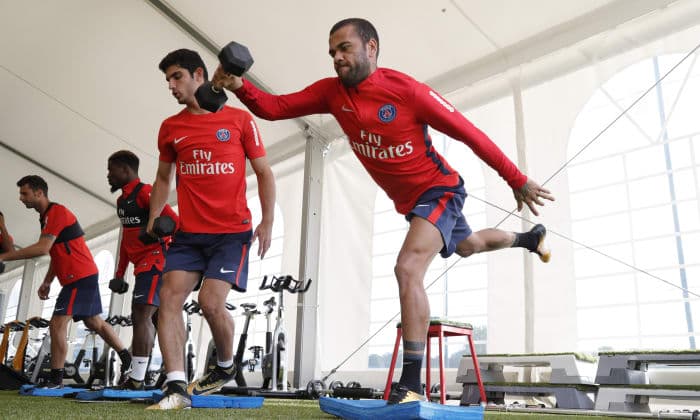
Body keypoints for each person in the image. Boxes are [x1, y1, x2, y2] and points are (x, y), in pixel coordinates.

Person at [213, 18, 555, 404]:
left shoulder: (407, 91)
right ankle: (529, 238)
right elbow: (276, 108)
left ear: (371, 48)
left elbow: (468, 133)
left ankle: (412, 383)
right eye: (332, 52)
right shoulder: (330, 93)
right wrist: (238, 85)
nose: (337, 58)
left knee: (407, 267)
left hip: (440, 189)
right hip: (413, 204)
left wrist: (516, 178)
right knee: (469, 245)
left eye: (345, 48)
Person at [145, 49, 276, 410]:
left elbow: (264, 172)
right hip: (188, 234)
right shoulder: (171, 127)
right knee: (166, 301)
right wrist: (154, 218)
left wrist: (268, 220)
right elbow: (161, 177)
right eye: (168, 80)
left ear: (199, 75)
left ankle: (223, 366)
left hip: (231, 233)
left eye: (176, 77)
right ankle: (176, 387)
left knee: (210, 303)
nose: (171, 86)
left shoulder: (240, 120)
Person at [0, 175, 131, 388]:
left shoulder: (57, 213)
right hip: (80, 276)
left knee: (57, 324)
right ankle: (126, 357)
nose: (21, 198)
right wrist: (47, 281)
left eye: (24, 193)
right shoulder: (46, 218)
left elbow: (42, 248)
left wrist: (4, 256)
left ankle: (56, 380)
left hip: (80, 276)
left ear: (39, 193)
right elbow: (55, 251)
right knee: (93, 321)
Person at [107, 150, 180, 390]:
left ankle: (137, 379)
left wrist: (160, 234)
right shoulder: (121, 202)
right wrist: (119, 273)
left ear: (126, 170)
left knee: (140, 314)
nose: (108, 175)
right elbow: (127, 241)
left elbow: (174, 223)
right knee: (160, 319)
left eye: (112, 170)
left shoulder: (146, 193)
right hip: (140, 265)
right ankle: (172, 374)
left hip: (157, 261)